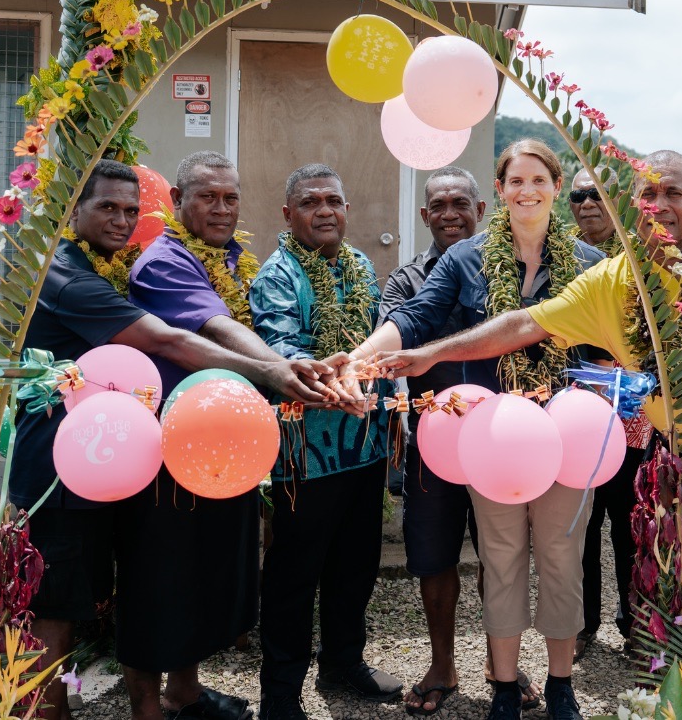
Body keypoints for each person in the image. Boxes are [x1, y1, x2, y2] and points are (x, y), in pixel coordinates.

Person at [372, 149, 682, 647]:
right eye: (648, 194)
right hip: (677, 465)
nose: (659, 205)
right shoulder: (611, 281)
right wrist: (430, 353)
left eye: (673, 193)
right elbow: (523, 324)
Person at [10, 159, 335, 720]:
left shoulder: (109, 267)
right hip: (57, 471)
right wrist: (274, 372)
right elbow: (168, 340)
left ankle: (169, 696)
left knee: (111, 591)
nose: (121, 221)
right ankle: (47, 713)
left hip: (107, 462)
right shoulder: (66, 276)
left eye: (130, 210)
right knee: (54, 604)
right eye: (106, 208)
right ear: (73, 211)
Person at [346, 140, 605, 720]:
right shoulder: (466, 257)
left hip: (567, 439)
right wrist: (360, 358)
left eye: (538, 180)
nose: (527, 191)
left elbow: (615, 342)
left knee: (562, 561)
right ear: (501, 190)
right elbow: (415, 316)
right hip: (497, 442)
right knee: (502, 560)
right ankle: (505, 689)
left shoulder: (591, 263)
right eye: (516, 181)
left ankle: (561, 685)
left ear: (556, 186)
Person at [119, 151, 340, 720]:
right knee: (159, 577)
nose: (221, 209)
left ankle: (185, 693)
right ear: (176, 200)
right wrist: (280, 371)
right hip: (166, 450)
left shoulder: (230, 259)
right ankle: (147, 708)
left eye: (230, 198)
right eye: (207, 197)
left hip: (218, 447)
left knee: (200, 574)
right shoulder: (163, 262)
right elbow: (217, 328)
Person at [249, 163, 402, 720]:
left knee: (355, 565)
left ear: (346, 209)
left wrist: (386, 401)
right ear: (288, 214)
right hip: (306, 457)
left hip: (364, 446)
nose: (324, 211)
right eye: (311, 202)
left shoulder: (359, 265)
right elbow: (284, 353)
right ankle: (281, 694)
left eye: (333, 201)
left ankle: (342, 662)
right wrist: (333, 381)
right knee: (295, 574)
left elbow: (378, 344)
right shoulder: (277, 276)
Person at [378, 166, 493, 715]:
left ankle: (501, 662)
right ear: (424, 215)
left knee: (502, 555)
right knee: (432, 554)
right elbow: (398, 333)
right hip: (431, 440)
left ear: (481, 210)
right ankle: (442, 663)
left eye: (460, 203)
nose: (450, 214)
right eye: (439, 206)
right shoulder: (406, 280)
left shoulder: (503, 270)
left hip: (502, 440)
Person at [566, 167, 653, 660]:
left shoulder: (645, 257)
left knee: (630, 525)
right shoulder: (560, 257)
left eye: (597, 194)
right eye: (578, 195)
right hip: (574, 419)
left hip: (633, 419)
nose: (587, 204)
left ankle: (636, 624)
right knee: (580, 526)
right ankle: (582, 624)